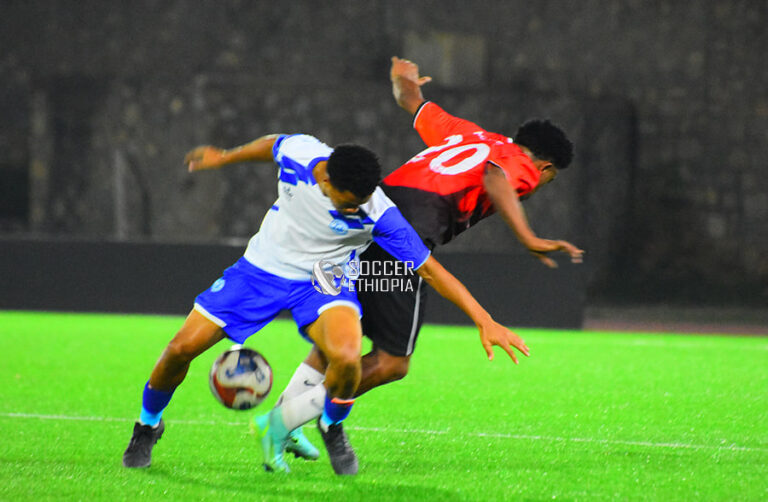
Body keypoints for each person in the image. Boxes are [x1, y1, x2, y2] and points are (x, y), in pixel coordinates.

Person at [121, 131, 530, 475]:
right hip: (259, 271)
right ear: (327, 180)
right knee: (180, 349)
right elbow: (272, 144)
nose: (355, 209)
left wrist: (484, 319)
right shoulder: (302, 155)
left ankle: (332, 425)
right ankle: (147, 425)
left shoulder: (379, 211)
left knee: (347, 359)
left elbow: (431, 271)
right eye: (347, 201)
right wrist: (225, 156)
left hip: (324, 281)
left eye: (361, 201)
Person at [270, 56, 584, 471]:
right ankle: (287, 419)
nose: (538, 183)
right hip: (400, 238)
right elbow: (495, 178)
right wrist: (528, 238)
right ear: (545, 167)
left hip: (364, 219)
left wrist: (402, 79)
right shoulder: (521, 166)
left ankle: (294, 420)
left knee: (345, 334)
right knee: (392, 361)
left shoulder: (469, 134)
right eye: (548, 178)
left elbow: (411, 100)